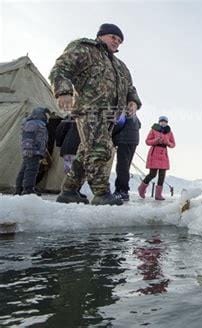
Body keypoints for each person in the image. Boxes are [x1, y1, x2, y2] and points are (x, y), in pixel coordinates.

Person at [49, 23, 142, 206]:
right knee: (100, 149)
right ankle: (101, 193)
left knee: (85, 153)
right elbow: (61, 68)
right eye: (113, 37)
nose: (117, 42)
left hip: (110, 116)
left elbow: (130, 87)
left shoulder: (120, 66)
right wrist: (64, 91)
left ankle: (69, 191)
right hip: (90, 109)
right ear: (101, 35)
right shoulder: (85, 49)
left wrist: (133, 101)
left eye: (120, 41)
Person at [138, 116, 176, 200]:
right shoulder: (153, 130)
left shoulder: (169, 132)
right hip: (154, 153)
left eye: (165, 122)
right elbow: (147, 141)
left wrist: (168, 143)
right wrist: (156, 140)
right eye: (162, 121)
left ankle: (158, 195)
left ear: (167, 123)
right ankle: (141, 188)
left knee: (162, 175)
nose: (163, 123)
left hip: (163, 154)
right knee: (152, 174)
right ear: (159, 122)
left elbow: (173, 144)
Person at [15, 107, 50, 196]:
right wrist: (29, 149)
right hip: (33, 151)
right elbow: (28, 137)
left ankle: (19, 189)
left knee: (25, 169)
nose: (47, 116)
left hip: (36, 151)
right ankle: (28, 189)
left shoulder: (39, 124)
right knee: (31, 170)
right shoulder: (33, 123)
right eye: (46, 114)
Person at [112, 111, 141, 201]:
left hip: (124, 140)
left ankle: (123, 191)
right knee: (125, 166)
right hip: (133, 140)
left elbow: (118, 125)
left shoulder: (123, 111)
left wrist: (112, 136)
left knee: (122, 166)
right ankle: (119, 189)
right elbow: (139, 125)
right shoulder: (134, 115)